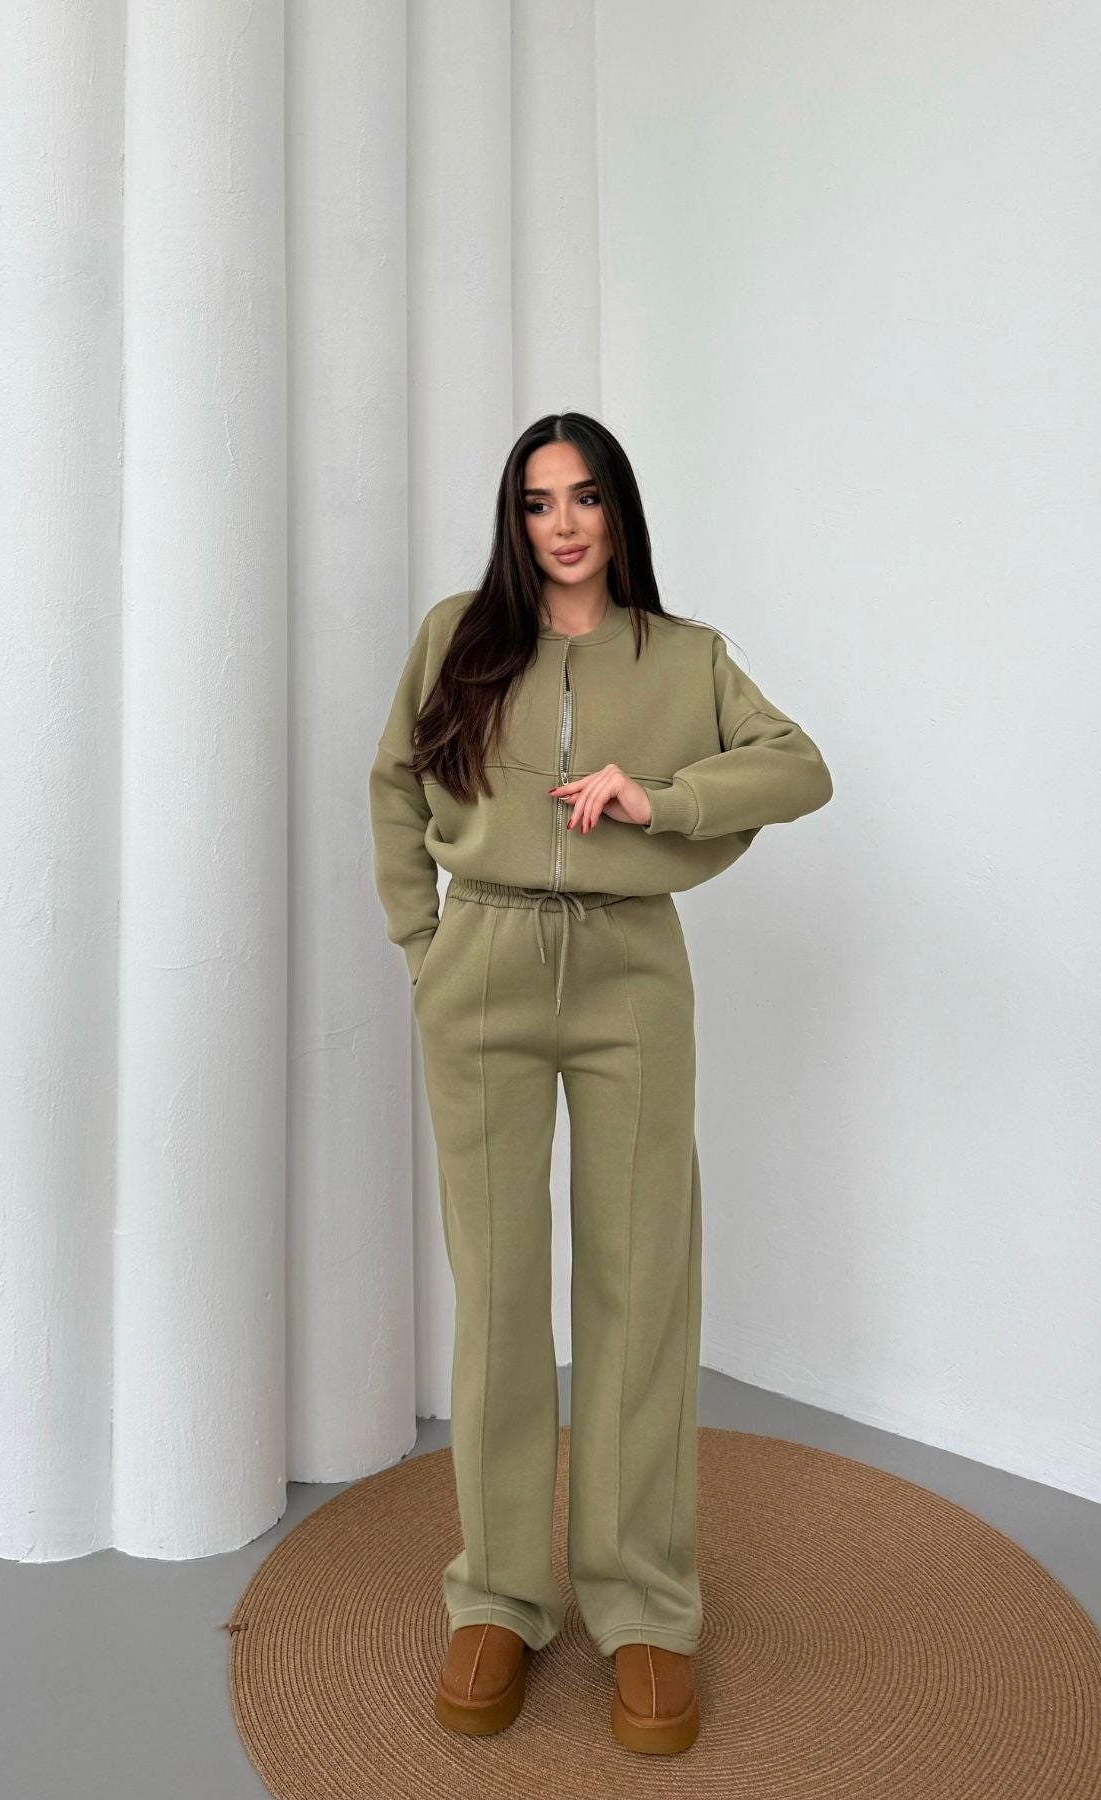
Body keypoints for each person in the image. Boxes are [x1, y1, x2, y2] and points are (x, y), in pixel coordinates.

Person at [368, 411, 833, 1757]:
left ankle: (643, 1605)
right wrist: (423, 949)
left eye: (583, 498)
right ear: (513, 520)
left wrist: (661, 798)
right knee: (501, 1288)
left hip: (633, 975)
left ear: (618, 510)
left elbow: (800, 768)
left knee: (642, 1282)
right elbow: (394, 787)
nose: (562, 525)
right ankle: (500, 1595)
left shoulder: (686, 657)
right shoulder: (460, 636)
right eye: (537, 502)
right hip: (484, 966)